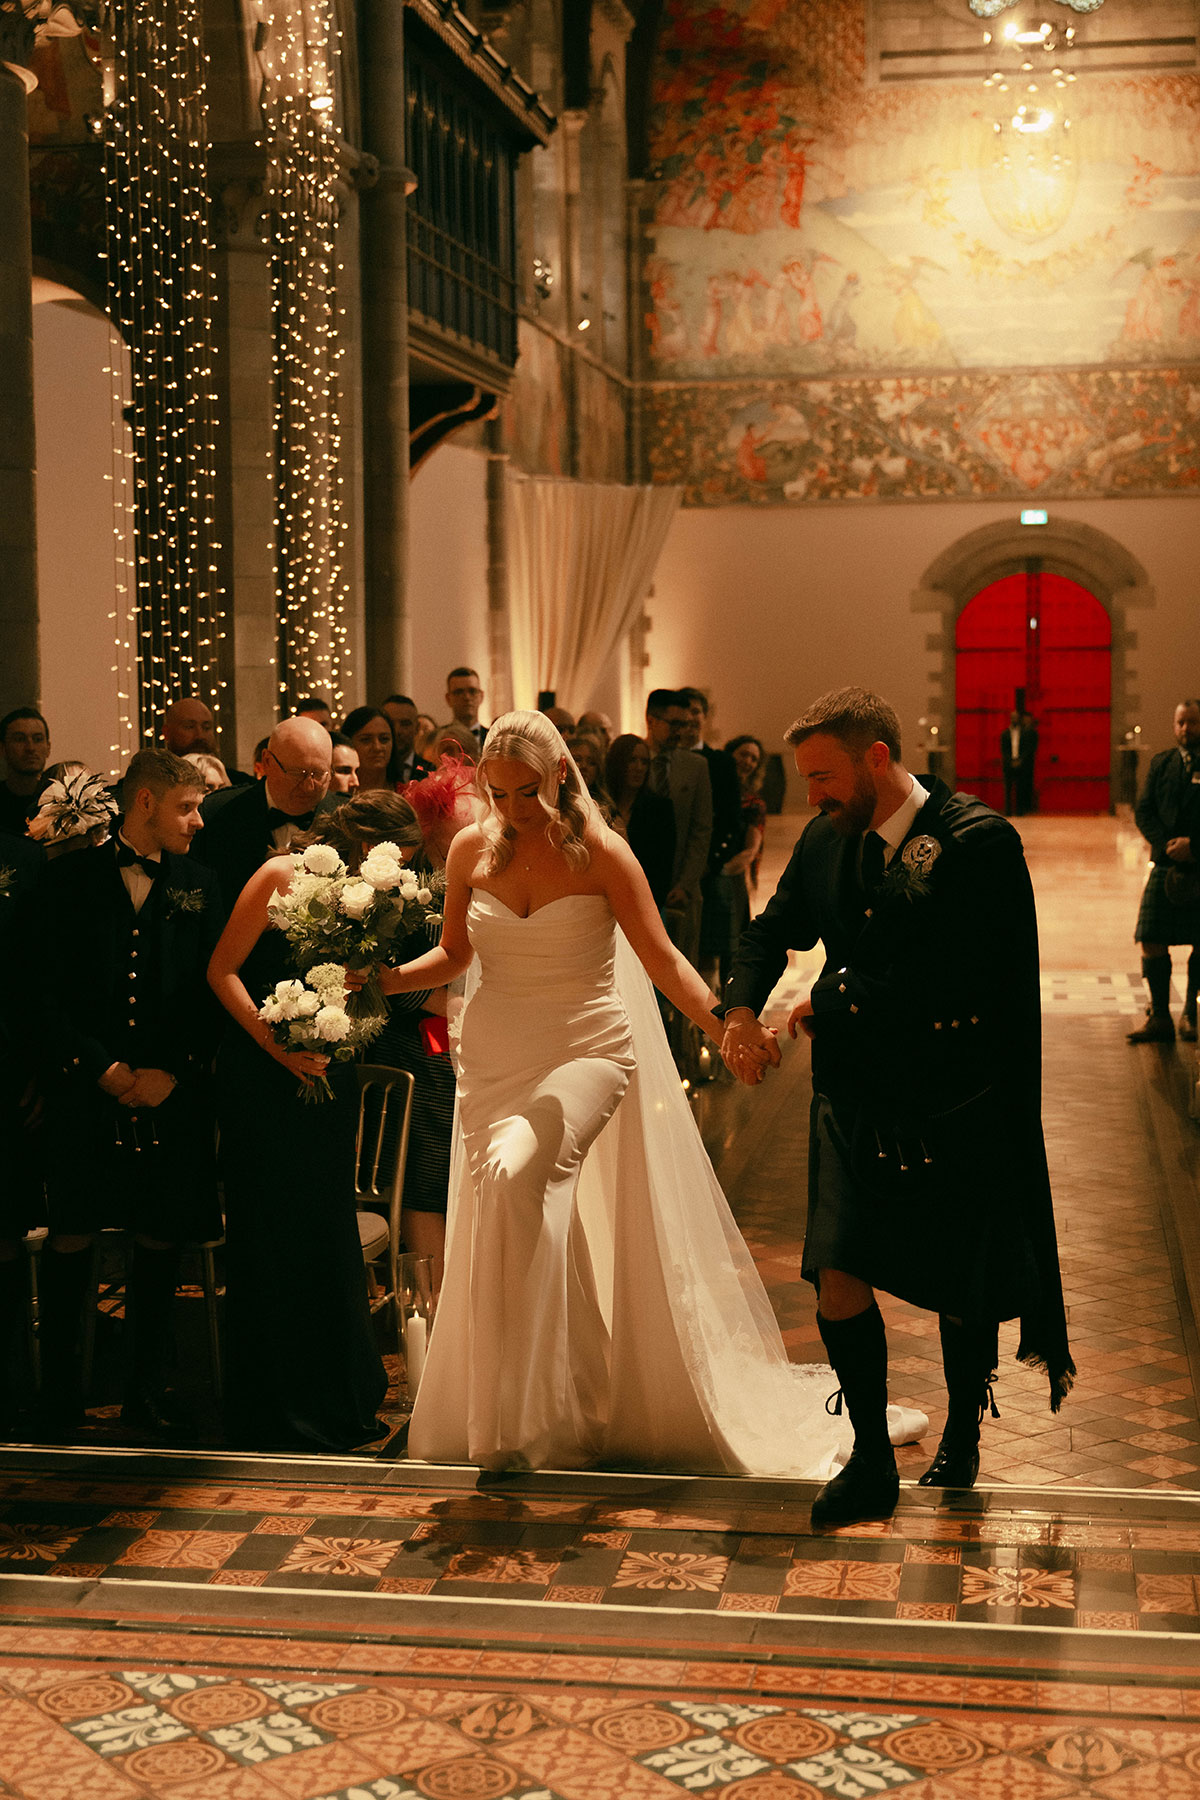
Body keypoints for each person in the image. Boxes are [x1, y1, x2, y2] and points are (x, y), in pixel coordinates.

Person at [381, 711, 925, 1475]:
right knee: (507, 1206)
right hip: (496, 1061)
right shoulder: (474, 848)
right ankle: (548, 1399)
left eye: (528, 792)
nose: (514, 809)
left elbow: (664, 961)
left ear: (561, 775)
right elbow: (453, 953)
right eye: (498, 794)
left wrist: (729, 1027)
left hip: (586, 1052)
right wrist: (386, 981)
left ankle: (521, 1411)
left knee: (513, 1175)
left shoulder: (604, 854)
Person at [721, 687, 1073, 1528]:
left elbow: (960, 975)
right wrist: (738, 1009)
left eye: (825, 776)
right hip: (852, 1097)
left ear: (877, 758)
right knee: (835, 1269)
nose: (813, 794)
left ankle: (963, 1432)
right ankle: (872, 1462)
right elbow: (770, 931)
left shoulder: (978, 842)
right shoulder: (825, 839)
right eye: (806, 778)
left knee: (959, 1279)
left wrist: (828, 1001)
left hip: (954, 1096)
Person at [206, 793, 414, 1450]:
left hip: (328, 1067)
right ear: (364, 844)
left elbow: (368, 988)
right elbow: (221, 970)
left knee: (325, 1225)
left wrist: (361, 987)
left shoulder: (371, 901)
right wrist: (274, 1045)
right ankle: (273, 1403)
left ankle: (337, 1395)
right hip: (261, 1072)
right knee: (270, 1230)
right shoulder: (278, 874)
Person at [36, 749, 225, 1435]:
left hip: (170, 1094)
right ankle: (59, 1397)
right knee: (71, 1232)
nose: (198, 821)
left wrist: (172, 1071)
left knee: (159, 1235)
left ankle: (147, 1392)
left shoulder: (202, 883)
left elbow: (214, 989)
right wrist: (99, 1067)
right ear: (146, 803)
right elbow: (39, 990)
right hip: (83, 1092)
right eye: (187, 807)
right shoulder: (67, 880)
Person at [194, 716, 336, 911]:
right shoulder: (215, 813)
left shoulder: (345, 818)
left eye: (318, 774)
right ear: (267, 761)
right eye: (297, 773)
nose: (309, 786)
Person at [0, 831, 45, 1434]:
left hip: (7, 1068)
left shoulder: (20, 857)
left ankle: (7, 1386)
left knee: (4, 1230)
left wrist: (38, 1070)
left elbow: (34, 976)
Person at [1129, 698, 1200, 1043]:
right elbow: (1143, 811)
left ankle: (1190, 1013)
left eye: (1193, 722)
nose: (1186, 729)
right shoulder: (1162, 763)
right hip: (1165, 862)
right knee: (1150, 938)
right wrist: (1168, 844)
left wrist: (1194, 846)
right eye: (1181, 722)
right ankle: (1159, 1016)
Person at [644, 688, 712, 963]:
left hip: (681, 888)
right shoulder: (632, 761)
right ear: (651, 720)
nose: (681, 732)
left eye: (684, 724)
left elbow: (701, 830)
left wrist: (685, 884)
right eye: (674, 724)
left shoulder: (696, 766)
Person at [606, 732, 674, 907]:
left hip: (645, 899)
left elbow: (663, 866)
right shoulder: (601, 805)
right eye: (632, 760)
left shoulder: (660, 809)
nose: (639, 768)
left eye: (644, 762)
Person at [164, 697, 251, 785]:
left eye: (206, 728)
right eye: (189, 727)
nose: (200, 736)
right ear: (167, 732)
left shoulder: (242, 783)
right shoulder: (158, 782)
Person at [0, 707, 51, 837]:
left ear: (48, 748)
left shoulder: (63, 803)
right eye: (20, 739)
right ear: (3, 748)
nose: (30, 748)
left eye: (38, 739)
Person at [382, 693, 434, 787]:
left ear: (417, 728)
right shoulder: (369, 769)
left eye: (405, 724)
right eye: (390, 723)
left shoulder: (430, 772)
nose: (397, 731)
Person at [340, 706, 394, 793]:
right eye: (366, 740)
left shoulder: (407, 793)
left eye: (384, 739)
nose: (377, 747)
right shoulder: (336, 794)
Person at [1000, 710, 1038, 816]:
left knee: (1020, 788)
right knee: (1008, 788)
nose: (1014, 720)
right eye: (1013, 718)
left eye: (1016, 718)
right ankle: (1008, 811)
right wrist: (1010, 761)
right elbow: (1004, 750)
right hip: (1009, 764)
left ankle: (1019, 810)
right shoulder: (1005, 734)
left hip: (1021, 764)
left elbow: (1027, 749)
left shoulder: (1024, 733)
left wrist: (1020, 760)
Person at [445, 667, 488, 749]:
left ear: (481, 696)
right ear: (448, 698)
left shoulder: (494, 738)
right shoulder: (438, 739)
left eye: (472, 691)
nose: (467, 697)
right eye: (459, 692)